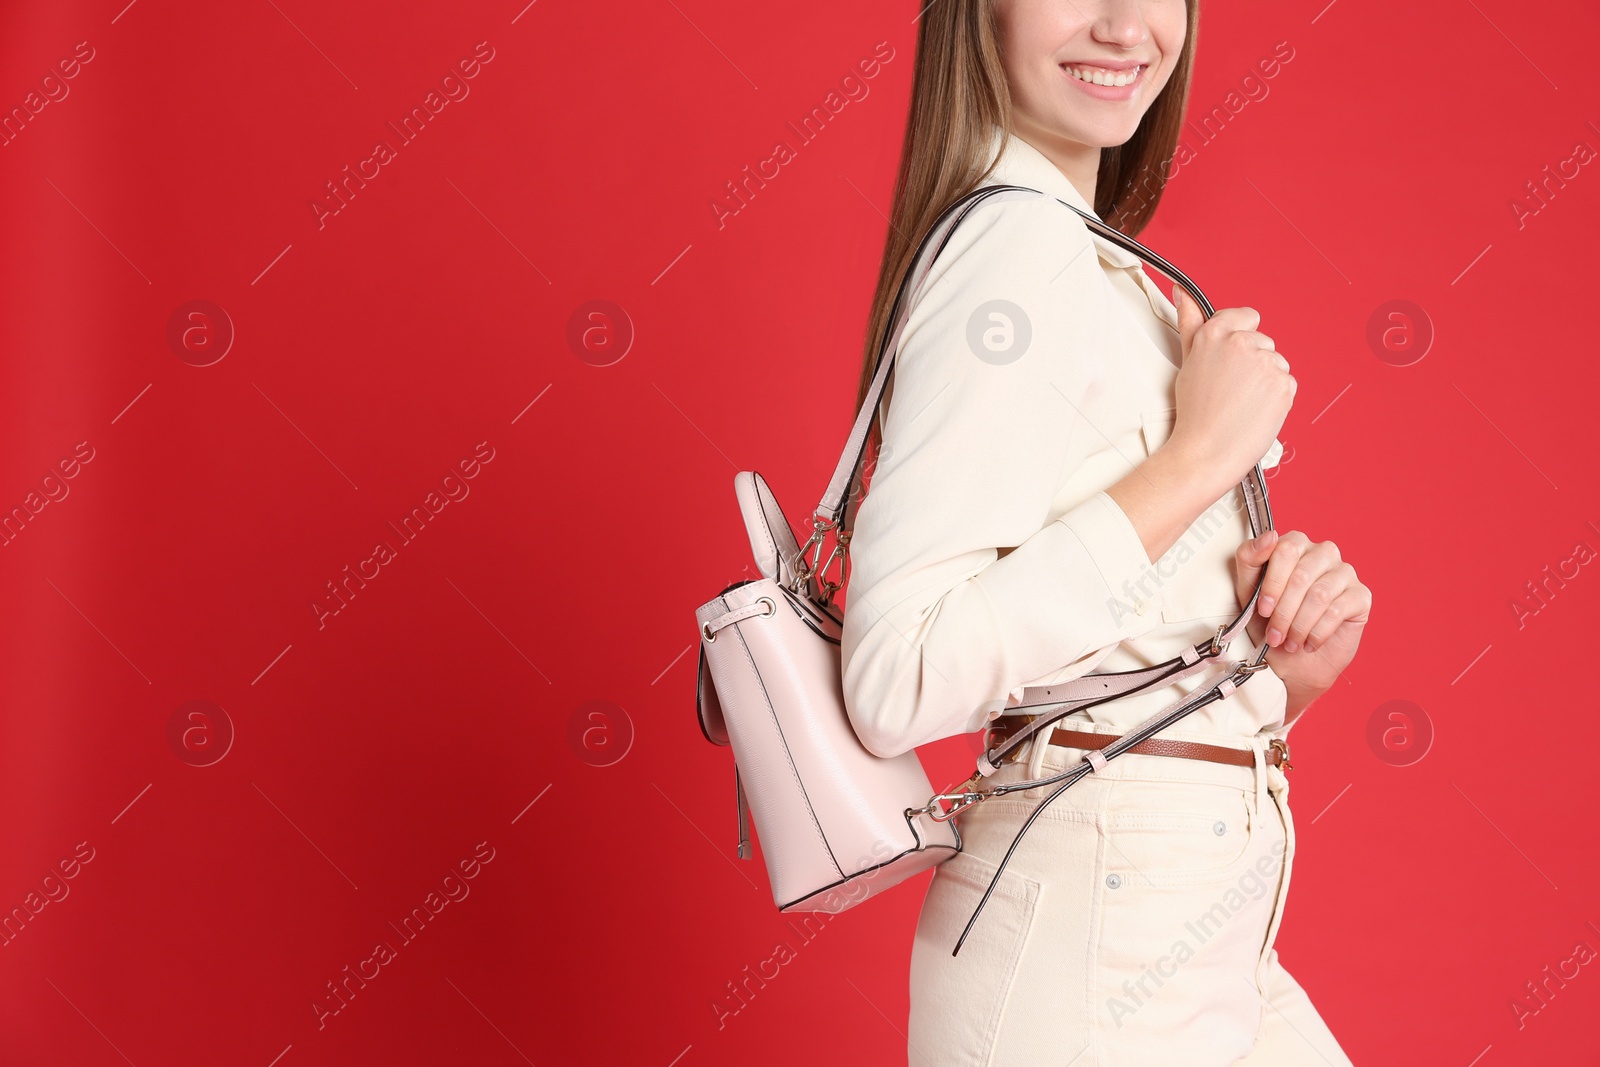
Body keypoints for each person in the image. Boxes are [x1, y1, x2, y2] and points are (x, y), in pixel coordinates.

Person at [838, 1, 1372, 1063]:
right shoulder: (1014, 249)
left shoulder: (1100, 267)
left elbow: (1104, 673)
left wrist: (1277, 675)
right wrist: (1198, 458)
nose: (1125, 25)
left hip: (1181, 929)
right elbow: (894, 677)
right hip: (1091, 943)